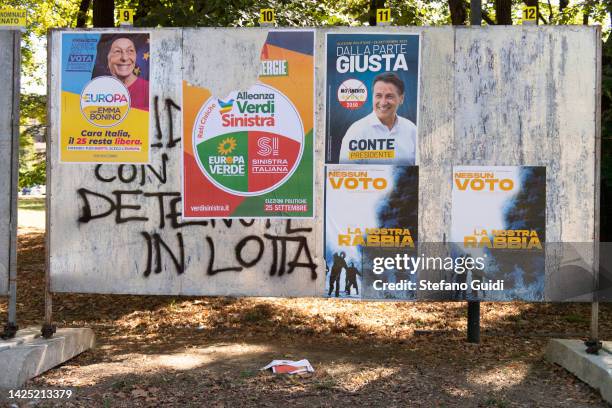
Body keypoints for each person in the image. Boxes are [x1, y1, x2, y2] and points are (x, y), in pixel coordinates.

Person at [339, 72, 416, 165]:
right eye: (378, 96)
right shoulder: (356, 131)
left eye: (389, 96)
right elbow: (345, 173)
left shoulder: (412, 130)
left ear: (401, 99)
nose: (383, 102)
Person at [106, 37, 149, 111]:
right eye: (117, 51)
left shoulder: (149, 88)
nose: (124, 58)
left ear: (136, 56)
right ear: (108, 57)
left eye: (130, 51)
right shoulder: (96, 88)